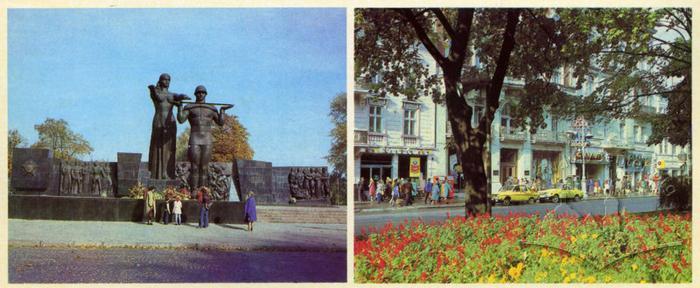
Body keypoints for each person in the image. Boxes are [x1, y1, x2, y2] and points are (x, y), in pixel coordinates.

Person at [176, 85, 232, 192]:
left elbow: (220, 123)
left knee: (204, 167)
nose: (200, 94)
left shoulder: (211, 108)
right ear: (195, 94)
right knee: (195, 166)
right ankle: (194, 190)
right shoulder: (190, 107)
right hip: (194, 139)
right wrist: (179, 107)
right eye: (198, 92)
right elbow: (181, 119)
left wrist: (222, 111)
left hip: (207, 139)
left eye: (202, 92)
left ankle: (203, 190)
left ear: (206, 94)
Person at [148, 73, 190, 179]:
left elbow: (178, 96)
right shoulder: (156, 93)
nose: (167, 82)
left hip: (170, 122)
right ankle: (156, 174)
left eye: (169, 80)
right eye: (165, 80)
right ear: (160, 80)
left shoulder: (172, 95)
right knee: (158, 147)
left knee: (169, 148)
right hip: (159, 121)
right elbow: (156, 96)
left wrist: (182, 96)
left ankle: (167, 173)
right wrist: (152, 89)